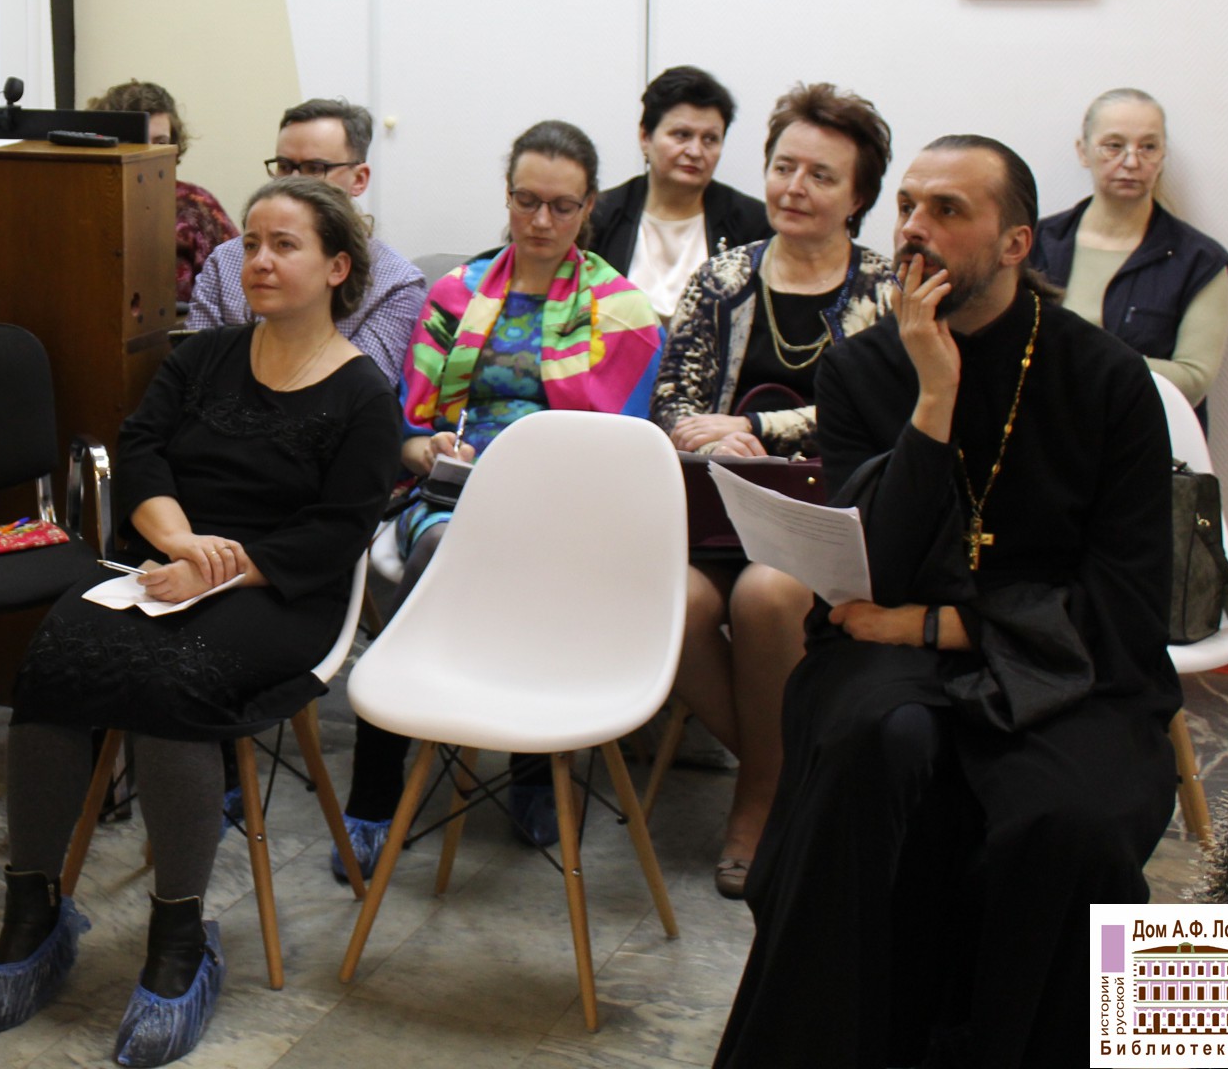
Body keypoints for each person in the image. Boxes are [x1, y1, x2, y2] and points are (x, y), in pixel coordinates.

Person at [716, 137, 1180, 1069]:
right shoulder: (862, 370)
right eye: (908, 207)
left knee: (1071, 826)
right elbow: (876, 573)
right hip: (885, 653)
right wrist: (933, 397)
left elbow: (1126, 602)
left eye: (947, 211)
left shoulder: (1109, 380)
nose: (914, 230)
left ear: (1015, 244)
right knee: (873, 745)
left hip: (1067, 662)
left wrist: (940, 624)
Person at [0, 177, 402, 1067]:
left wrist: (220, 569)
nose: (259, 260)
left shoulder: (363, 394)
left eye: (285, 245)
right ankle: (34, 911)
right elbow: (144, 452)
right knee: (57, 654)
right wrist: (181, 544)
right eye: (252, 243)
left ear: (336, 268)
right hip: (166, 565)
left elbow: (338, 530)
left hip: (283, 593)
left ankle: (179, 940)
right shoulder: (203, 358)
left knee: (174, 680)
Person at [340, 120, 666, 864]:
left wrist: (528, 478)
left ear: (589, 207)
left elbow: (619, 448)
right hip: (451, 494)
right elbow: (407, 427)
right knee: (440, 546)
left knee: (521, 561)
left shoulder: (622, 308)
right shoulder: (455, 293)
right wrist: (426, 448)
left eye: (562, 205)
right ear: (508, 197)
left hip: (569, 507)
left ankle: (528, 764)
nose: (541, 220)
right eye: (526, 201)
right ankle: (378, 782)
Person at [650, 83, 896, 899]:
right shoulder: (723, 277)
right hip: (718, 514)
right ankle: (794, 777)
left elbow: (878, 418)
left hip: (833, 517)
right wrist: (705, 434)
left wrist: (762, 428)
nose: (795, 187)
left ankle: (755, 803)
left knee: (765, 596)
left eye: (821, 176)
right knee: (675, 603)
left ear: (857, 196)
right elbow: (672, 403)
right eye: (784, 167)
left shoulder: (884, 289)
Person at [185, 97, 428, 381]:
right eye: (284, 166)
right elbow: (194, 375)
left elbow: (357, 391)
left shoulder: (395, 283)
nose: (294, 181)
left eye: (315, 168)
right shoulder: (226, 262)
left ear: (359, 179)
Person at [1031, 87, 1228, 419]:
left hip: (1146, 435)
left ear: (1162, 156)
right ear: (1083, 151)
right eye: (1114, 145)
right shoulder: (1034, 243)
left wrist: (1082, 359)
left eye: (1148, 147)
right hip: (1043, 428)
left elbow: (1193, 381)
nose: (1131, 161)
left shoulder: (1199, 261)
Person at [581, 65, 773, 324]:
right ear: (645, 137)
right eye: (682, 135)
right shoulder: (599, 217)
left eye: (710, 139)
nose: (695, 151)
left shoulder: (753, 226)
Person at [89, 79, 240, 310]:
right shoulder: (84, 203)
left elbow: (238, 295)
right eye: (136, 142)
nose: (150, 153)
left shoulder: (196, 207)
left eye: (160, 142)